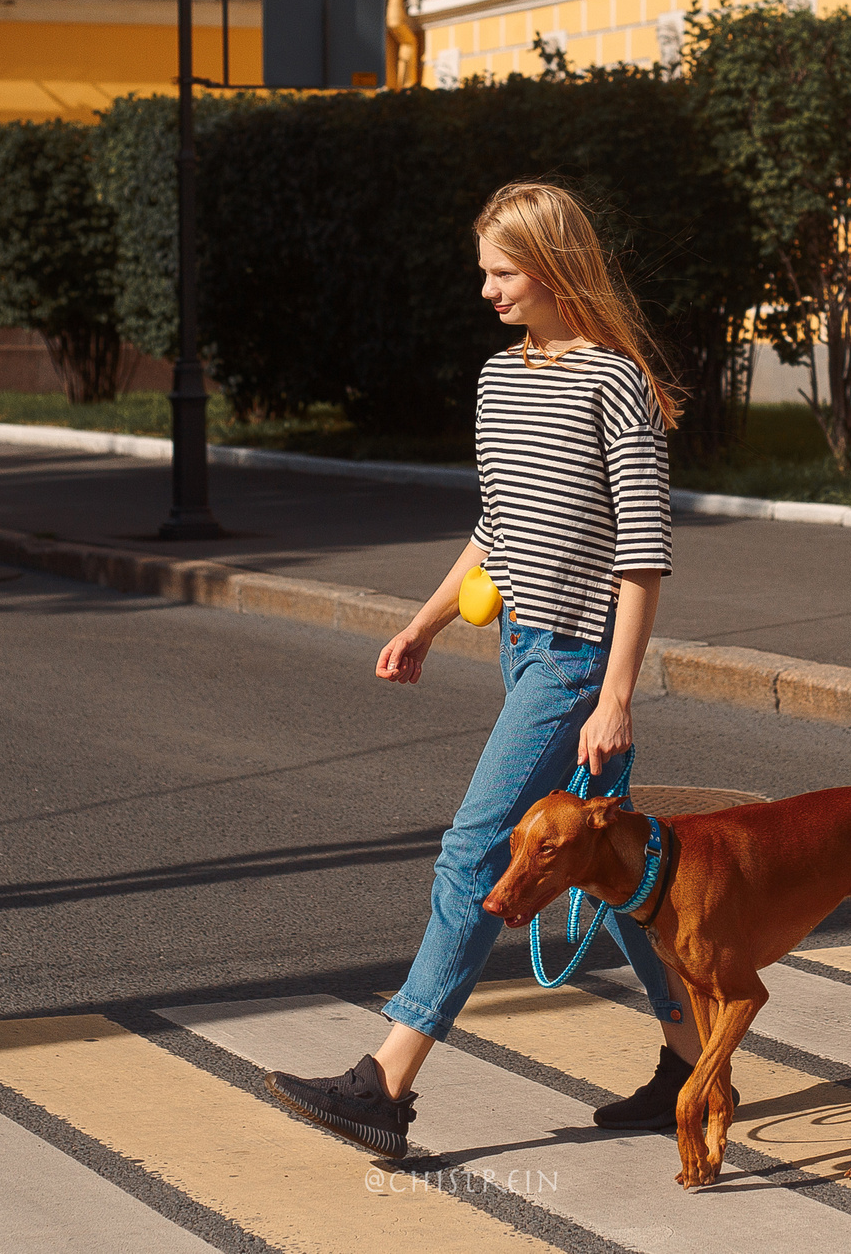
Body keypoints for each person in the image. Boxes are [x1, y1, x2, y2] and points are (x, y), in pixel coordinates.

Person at [264, 180, 700, 1159]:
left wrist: (616, 697)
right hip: (520, 650)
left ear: (549, 271)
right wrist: (420, 625)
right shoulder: (500, 380)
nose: (488, 292)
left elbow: (640, 555)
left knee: (474, 855)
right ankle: (693, 1056)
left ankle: (383, 1083)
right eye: (485, 275)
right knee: (610, 873)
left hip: (579, 667)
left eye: (500, 274)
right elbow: (496, 526)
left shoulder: (613, 382)